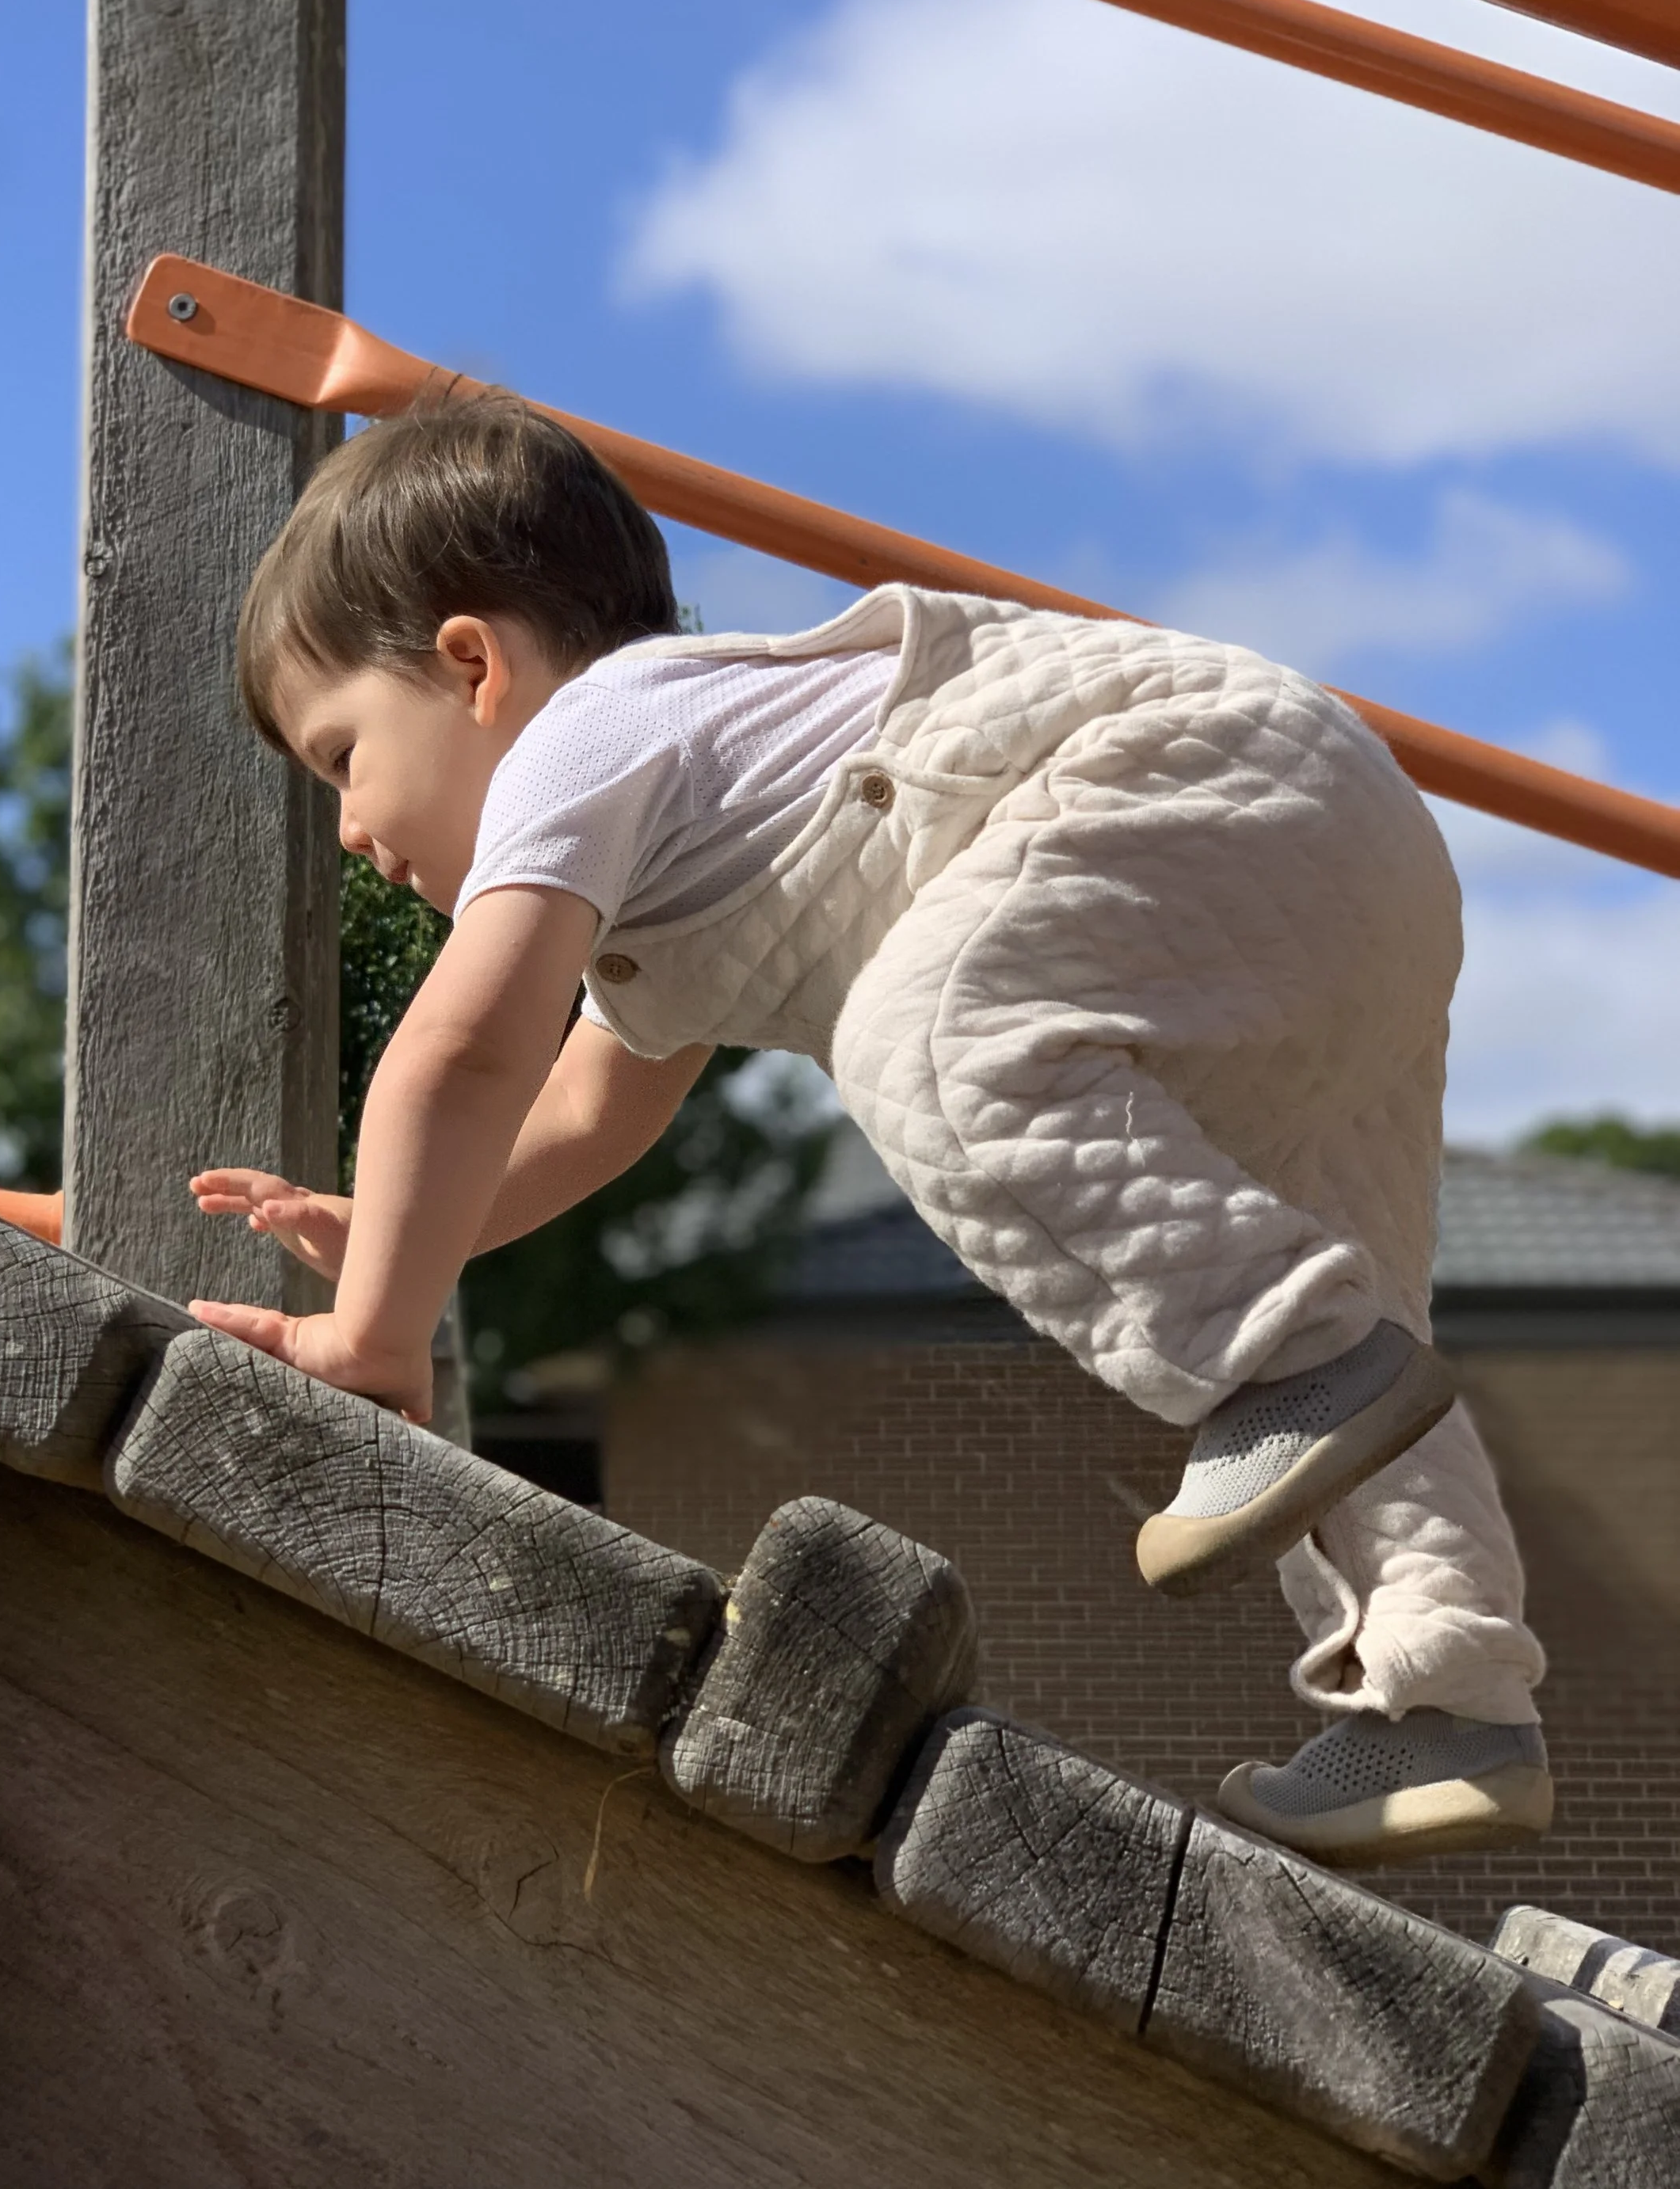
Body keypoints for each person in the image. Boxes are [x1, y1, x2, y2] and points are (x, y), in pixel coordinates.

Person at [189, 390, 1549, 1870]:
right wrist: (397, 1235)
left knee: (923, 1046)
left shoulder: (587, 735)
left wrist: (371, 1335)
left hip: (1201, 768)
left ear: (471, 668)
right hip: (1329, 872)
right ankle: (1449, 1697)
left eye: (339, 758)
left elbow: (460, 1054)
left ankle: (1299, 1376)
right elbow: (578, 1112)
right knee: (1336, 1276)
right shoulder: (674, 842)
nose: (345, 827)